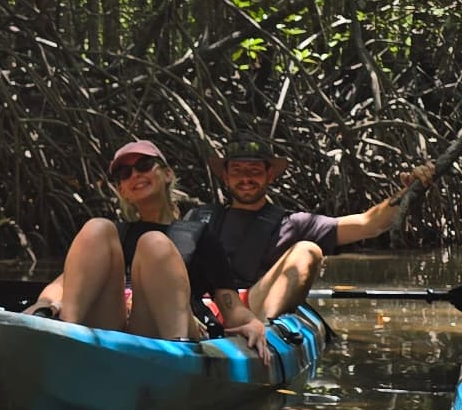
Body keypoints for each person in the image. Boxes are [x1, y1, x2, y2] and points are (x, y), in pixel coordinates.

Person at [27, 139, 219, 340]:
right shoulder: (111, 235)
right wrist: (43, 305)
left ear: (168, 174)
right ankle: (64, 335)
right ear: (122, 191)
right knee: (97, 227)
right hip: (119, 321)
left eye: (144, 165)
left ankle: (178, 348)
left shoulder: (199, 235)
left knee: (154, 243)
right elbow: (62, 283)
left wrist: (242, 327)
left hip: (174, 324)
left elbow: (231, 306)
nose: (135, 175)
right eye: (125, 173)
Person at [233, 140, 436, 327]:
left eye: (254, 170)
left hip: (256, 305)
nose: (245, 178)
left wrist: (411, 190)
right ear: (225, 176)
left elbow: (368, 224)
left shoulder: (293, 224)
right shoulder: (212, 219)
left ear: (269, 175)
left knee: (306, 250)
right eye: (236, 171)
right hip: (218, 304)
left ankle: (263, 332)